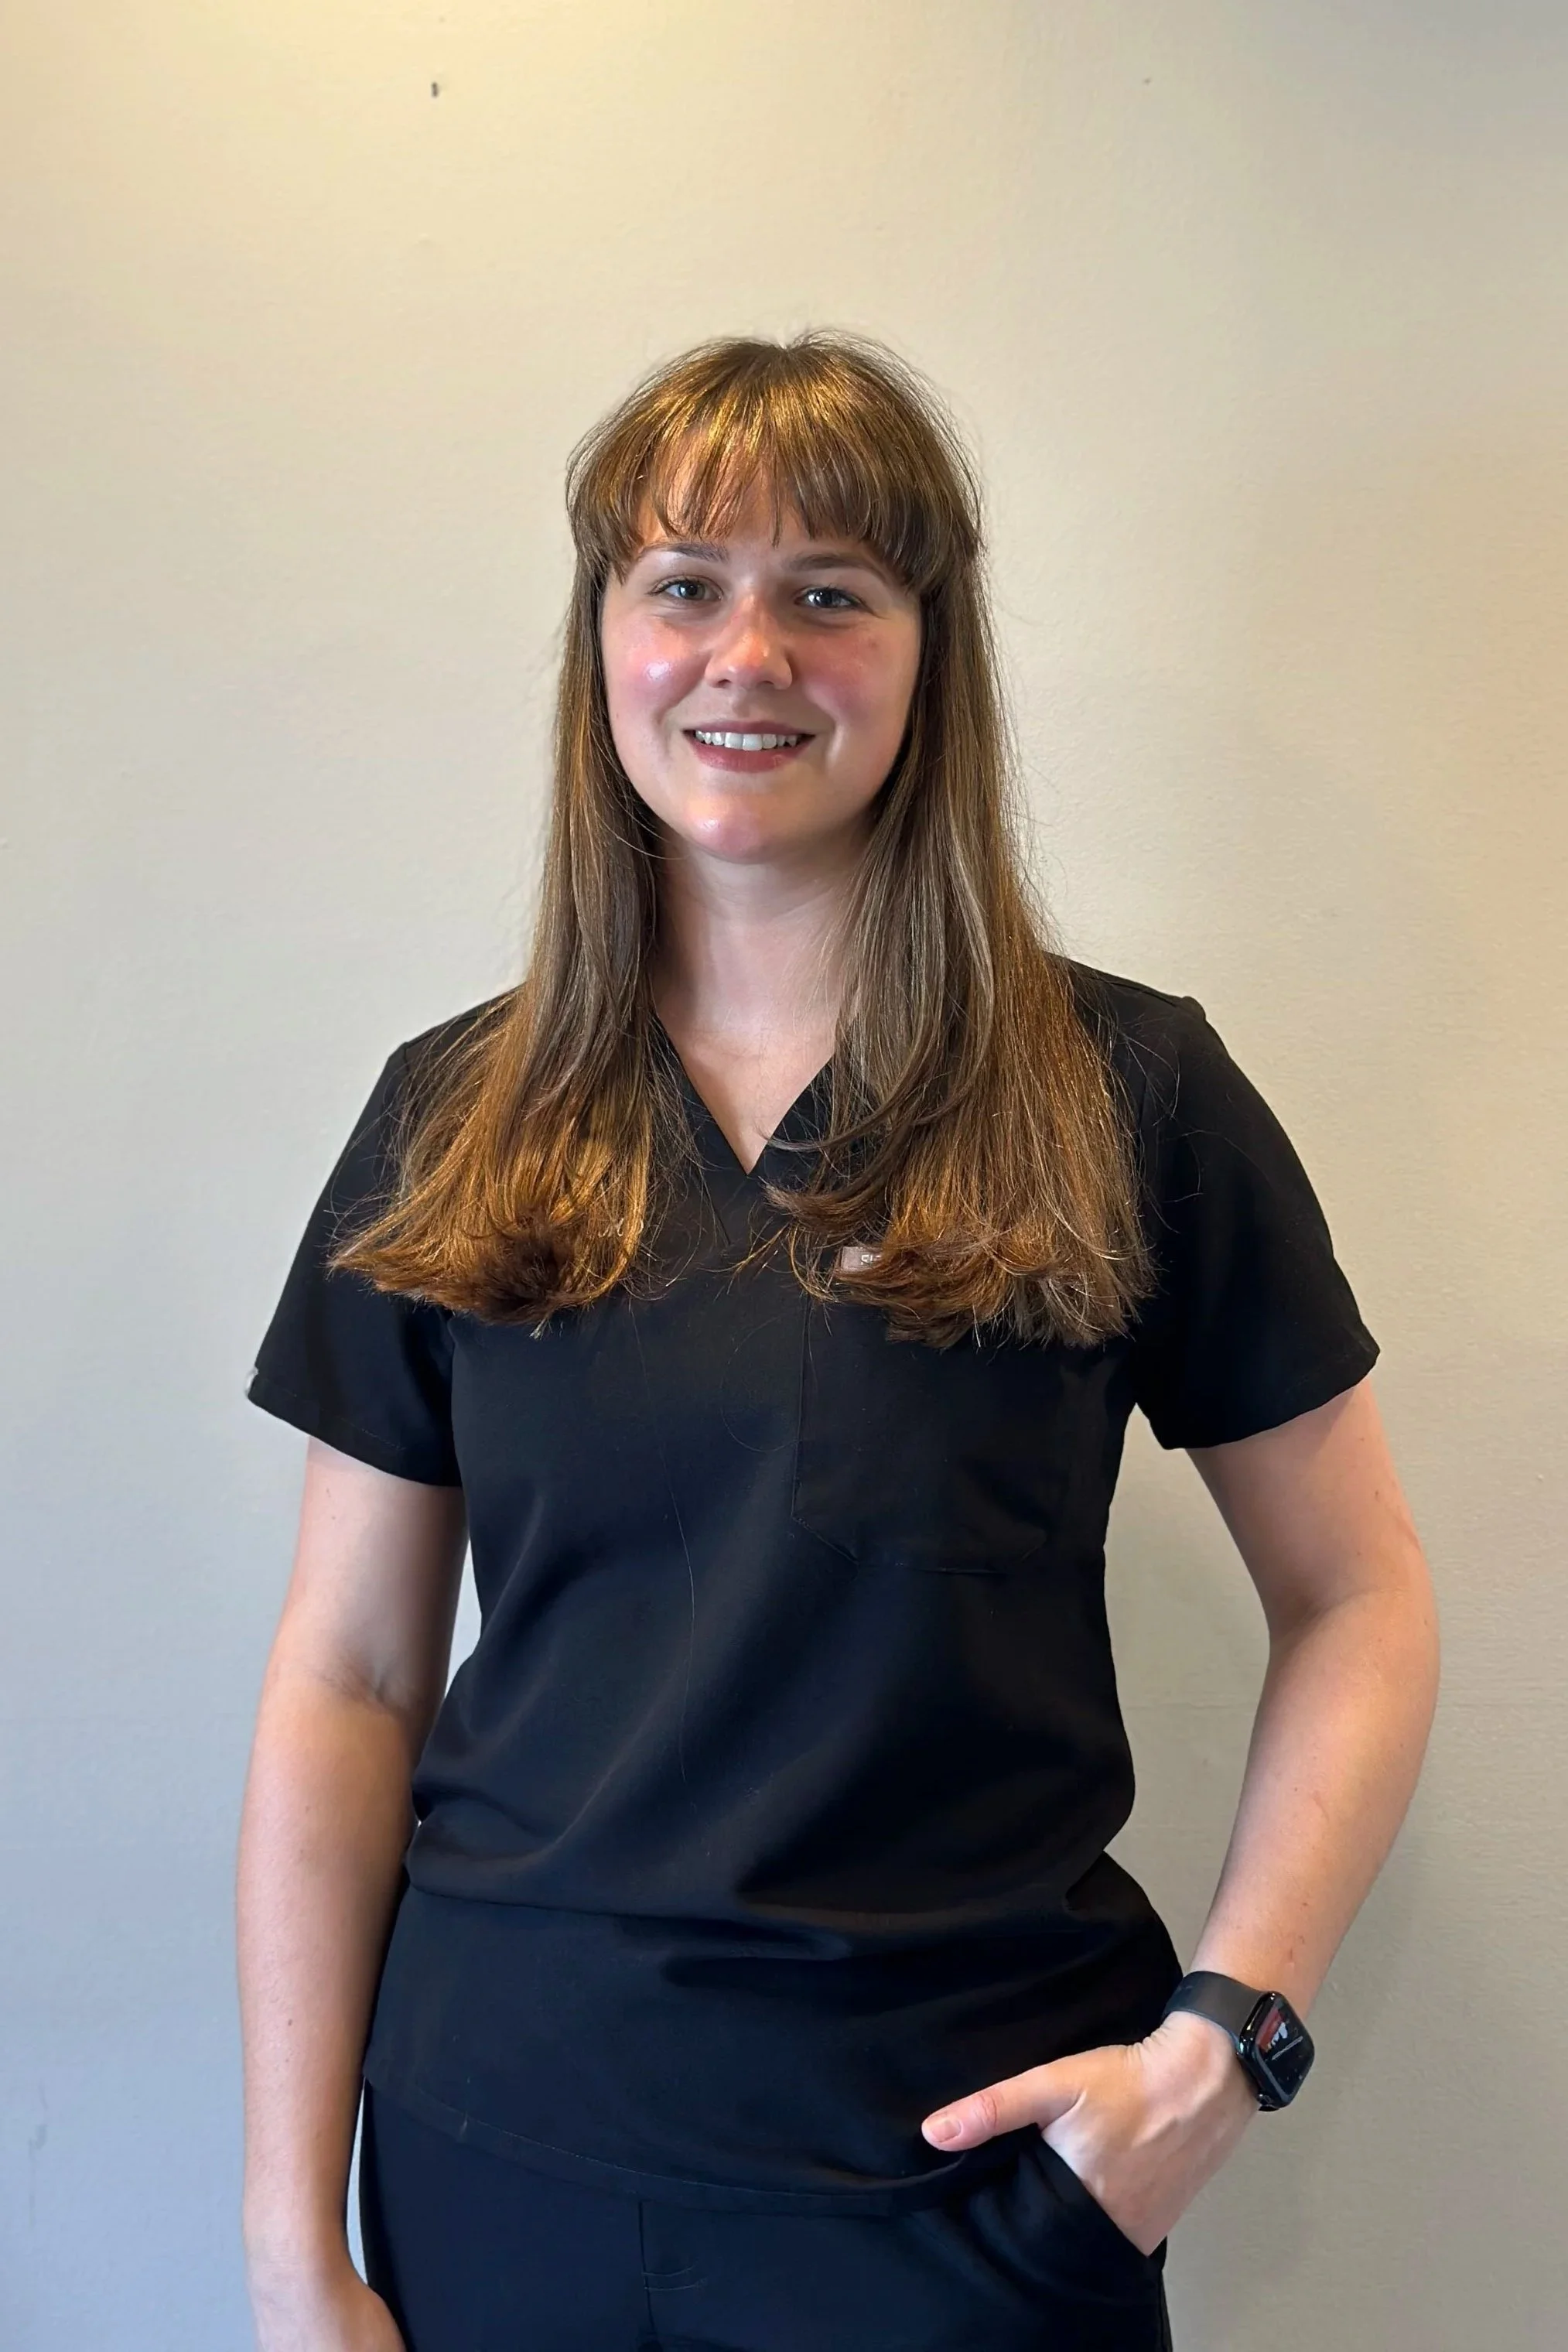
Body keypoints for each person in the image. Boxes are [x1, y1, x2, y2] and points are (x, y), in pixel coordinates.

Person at [237, 331, 1439, 2352]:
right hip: (498, 2164)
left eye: (829, 593)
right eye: (684, 585)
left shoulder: (1126, 1092)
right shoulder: (449, 1116)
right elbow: (347, 1681)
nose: (747, 653)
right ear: (602, 642)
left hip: (967, 2192)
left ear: (926, 653)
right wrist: (294, 2245)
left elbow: (1362, 1596)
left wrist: (1226, 2042)